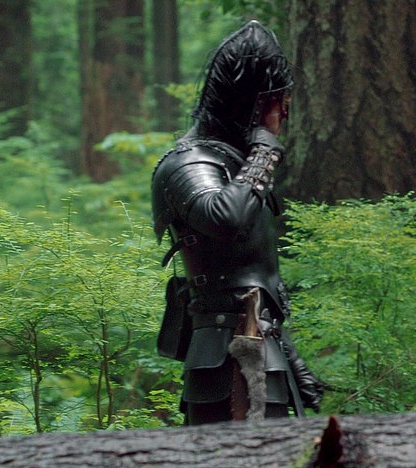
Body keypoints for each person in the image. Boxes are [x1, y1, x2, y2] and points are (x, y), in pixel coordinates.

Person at [151, 20, 323, 425]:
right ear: (258, 105)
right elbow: (224, 218)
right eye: (278, 103)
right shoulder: (189, 163)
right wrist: (265, 148)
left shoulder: (231, 166)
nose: (284, 114)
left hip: (263, 349)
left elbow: (254, 281)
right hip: (223, 356)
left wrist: (291, 358)